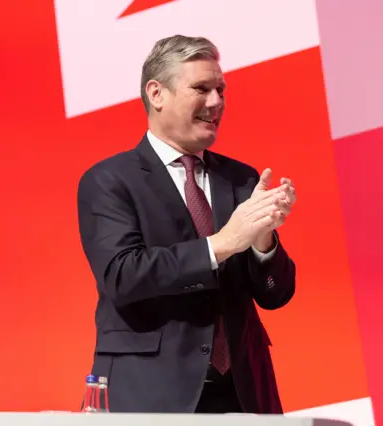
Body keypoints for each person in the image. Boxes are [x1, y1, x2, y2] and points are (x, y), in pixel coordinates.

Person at [77, 35, 297, 414]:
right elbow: (122, 275)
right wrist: (222, 244)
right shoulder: (109, 180)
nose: (216, 102)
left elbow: (275, 294)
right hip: (152, 394)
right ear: (156, 93)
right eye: (201, 88)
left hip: (243, 393)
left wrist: (263, 242)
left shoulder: (240, 178)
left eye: (220, 90)